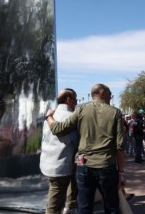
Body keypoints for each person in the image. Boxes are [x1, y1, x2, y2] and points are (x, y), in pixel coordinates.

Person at [46, 84, 125, 214]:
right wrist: (121, 173)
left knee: (84, 207)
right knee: (111, 207)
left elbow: (58, 129)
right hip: (106, 166)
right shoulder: (115, 112)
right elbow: (120, 147)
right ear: (101, 93)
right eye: (109, 93)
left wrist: (48, 117)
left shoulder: (81, 110)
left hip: (84, 166)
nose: (111, 96)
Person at [40, 88, 79, 214]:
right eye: (75, 99)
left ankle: (69, 207)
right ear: (68, 99)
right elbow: (76, 142)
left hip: (48, 163)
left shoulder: (50, 116)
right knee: (54, 207)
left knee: (57, 198)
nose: (76, 102)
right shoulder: (70, 118)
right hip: (60, 166)